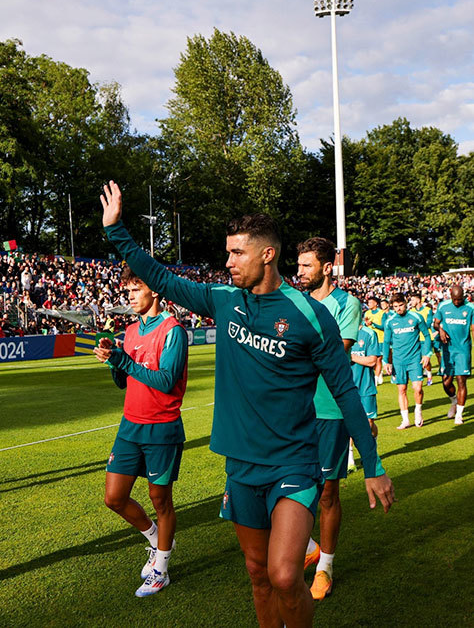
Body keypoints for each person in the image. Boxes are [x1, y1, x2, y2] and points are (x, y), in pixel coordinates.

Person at [100, 181, 395, 627]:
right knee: (258, 575)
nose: (228, 261)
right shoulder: (224, 300)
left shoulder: (310, 315)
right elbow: (160, 277)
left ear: (267, 254)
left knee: (283, 574)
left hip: (293, 464)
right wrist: (116, 230)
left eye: (237, 252)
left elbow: (345, 391)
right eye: (228, 252)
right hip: (240, 465)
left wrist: (372, 466)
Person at [94, 267, 188, 597]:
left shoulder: (174, 330)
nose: (131, 297)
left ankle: (161, 569)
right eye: (128, 291)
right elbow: (123, 381)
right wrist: (112, 360)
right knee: (113, 497)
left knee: (160, 500)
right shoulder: (130, 330)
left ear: (155, 293)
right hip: (130, 426)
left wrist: (125, 360)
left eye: (137, 290)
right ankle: (156, 539)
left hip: (162, 427)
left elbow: (165, 381)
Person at [297, 237, 371, 601]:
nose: (299, 273)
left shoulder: (348, 303)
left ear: (327, 267)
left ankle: (325, 565)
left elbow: (335, 352)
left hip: (329, 410)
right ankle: (309, 546)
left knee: (327, 492)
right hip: (295, 410)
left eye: (306, 266)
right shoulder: (296, 303)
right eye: (298, 266)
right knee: (291, 488)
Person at [382, 293, 432, 429]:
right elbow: (386, 342)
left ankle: (418, 412)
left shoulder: (416, 317)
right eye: (395, 307)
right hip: (398, 361)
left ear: (406, 303)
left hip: (415, 358)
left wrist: (427, 354)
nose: (398, 309)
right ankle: (405, 420)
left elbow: (427, 336)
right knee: (402, 389)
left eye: (401, 305)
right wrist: (386, 361)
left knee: (418, 388)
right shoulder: (390, 321)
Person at [433, 285, 474, 425]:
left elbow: (473, 328)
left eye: (459, 299)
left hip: (463, 349)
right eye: (455, 299)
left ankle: (459, 415)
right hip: (447, 350)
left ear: (463, 296)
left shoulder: (470, 308)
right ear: (451, 297)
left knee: (461, 381)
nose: (457, 302)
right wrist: (441, 330)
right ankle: (454, 401)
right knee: (446, 382)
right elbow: (435, 324)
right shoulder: (443, 306)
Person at [348, 323, 381, 468]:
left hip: (366, 387)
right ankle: (350, 459)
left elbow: (372, 361)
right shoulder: (340, 333)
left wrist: (351, 357)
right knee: (349, 424)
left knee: (368, 424)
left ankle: (374, 438)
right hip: (347, 387)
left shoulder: (369, 334)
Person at [410, 293, 437, 385]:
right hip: (415, 339)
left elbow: (428, 324)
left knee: (425, 359)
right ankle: (419, 376)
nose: (411, 302)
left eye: (413, 300)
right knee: (417, 359)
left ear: (418, 300)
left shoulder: (427, 310)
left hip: (425, 338)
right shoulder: (411, 311)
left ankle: (429, 376)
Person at [363, 296, 385, 385]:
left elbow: (383, 326)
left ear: (376, 303)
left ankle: (376, 378)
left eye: (371, 303)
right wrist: (365, 323)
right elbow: (364, 325)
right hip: (370, 339)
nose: (369, 304)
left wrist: (373, 324)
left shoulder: (382, 313)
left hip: (380, 338)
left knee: (378, 359)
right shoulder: (367, 313)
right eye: (368, 303)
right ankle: (377, 374)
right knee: (371, 359)